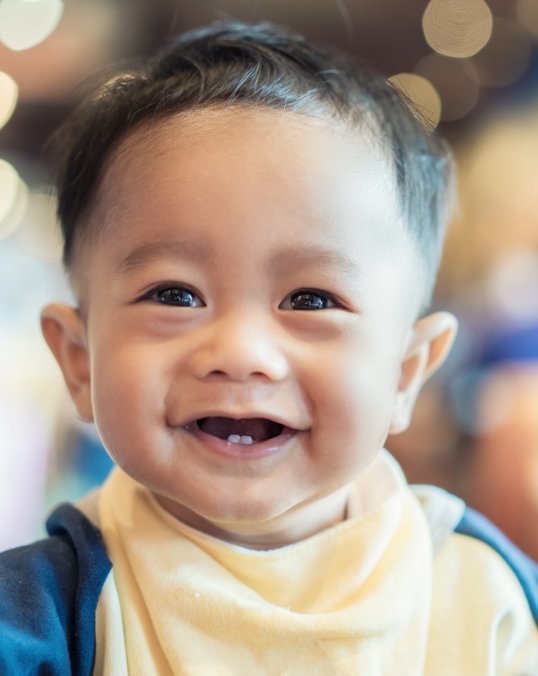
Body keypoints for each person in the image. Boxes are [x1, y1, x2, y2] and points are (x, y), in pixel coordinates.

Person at [0, 20, 536, 675]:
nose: (242, 351)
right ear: (79, 360)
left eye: (310, 300)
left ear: (406, 372)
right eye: (174, 294)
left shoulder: (488, 597)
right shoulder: (42, 616)